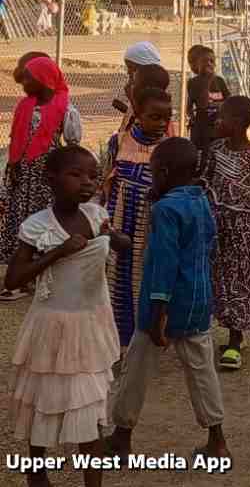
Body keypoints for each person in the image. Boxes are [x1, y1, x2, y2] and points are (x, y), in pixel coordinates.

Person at [5, 146, 131, 487]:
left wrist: (112, 235)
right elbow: (12, 280)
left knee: (90, 410)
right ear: (51, 179)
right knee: (43, 401)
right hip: (52, 327)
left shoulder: (96, 214)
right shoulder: (37, 226)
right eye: (76, 175)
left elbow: (122, 245)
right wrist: (58, 252)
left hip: (90, 325)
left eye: (92, 176)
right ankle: (37, 474)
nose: (87, 182)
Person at [107, 137, 229, 463]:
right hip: (197, 300)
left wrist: (158, 312)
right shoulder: (201, 199)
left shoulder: (165, 210)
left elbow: (164, 262)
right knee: (202, 372)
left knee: (136, 369)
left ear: (162, 172)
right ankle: (217, 440)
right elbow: (209, 244)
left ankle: (121, 437)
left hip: (162, 305)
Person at [202, 96, 250, 370]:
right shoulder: (215, 150)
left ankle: (235, 341)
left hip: (242, 228)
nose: (217, 121)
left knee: (238, 278)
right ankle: (225, 331)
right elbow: (205, 179)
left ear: (236, 123)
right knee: (219, 277)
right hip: (216, 224)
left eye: (221, 117)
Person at [0, 57, 82, 300]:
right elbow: (16, 138)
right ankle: (20, 278)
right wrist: (13, 164)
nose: (23, 83)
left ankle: (41, 276)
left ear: (43, 80)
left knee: (43, 222)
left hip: (47, 178)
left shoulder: (65, 109)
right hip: (22, 174)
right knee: (20, 221)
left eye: (28, 78)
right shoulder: (25, 106)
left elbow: (72, 144)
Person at [103, 87, 174, 348]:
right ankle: (116, 342)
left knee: (145, 277)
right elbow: (106, 179)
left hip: (150, 224)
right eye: (154, 117)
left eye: (166, 118)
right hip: (120, 219)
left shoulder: (169, 148)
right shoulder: (119, 141)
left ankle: (144, 339)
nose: (162, 123)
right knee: (116, 277)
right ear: (138, 114)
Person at [187, 45, 231, 157]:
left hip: (218, 127)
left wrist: (222, 117)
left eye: (212, 61)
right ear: (196, 64)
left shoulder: (220, 81)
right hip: (202, 129)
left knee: (218, 155)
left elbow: (229, 102)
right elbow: (198, 104)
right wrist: (193, 120)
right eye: (205, 61)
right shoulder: (194, 82)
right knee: (202, 155)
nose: (209, 64)